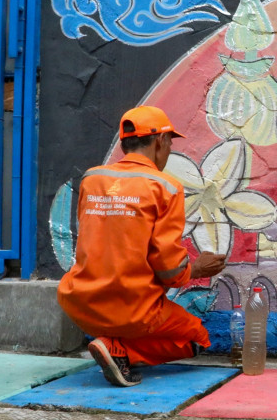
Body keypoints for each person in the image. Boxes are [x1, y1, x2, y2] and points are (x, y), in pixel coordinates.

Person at [58, 106, 227, 387]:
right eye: (170, 141)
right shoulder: (166, 187)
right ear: (159, 141)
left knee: (132, 319)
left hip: (79, 302)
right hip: (132, 308)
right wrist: (196, 269)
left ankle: (113, 345)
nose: (170, 148)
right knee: (197, 338)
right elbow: (169, 269)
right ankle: (121, 350)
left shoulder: (92, 179)